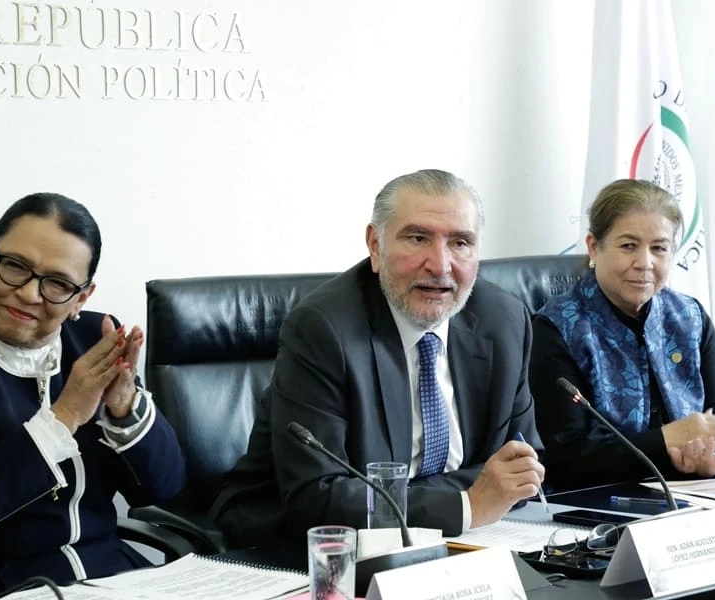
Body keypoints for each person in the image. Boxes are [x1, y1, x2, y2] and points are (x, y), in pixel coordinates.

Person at [211, 169, 544, 545]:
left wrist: (472, 499)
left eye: (460, 243)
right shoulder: (324, 329)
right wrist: (466, 504)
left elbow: (520, 467)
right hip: (299, 545)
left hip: (463, 539)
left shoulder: (504, 320)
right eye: (418, 238)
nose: (440, 265)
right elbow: (316, 496)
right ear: (375, 245)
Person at [0, 193, 186, 598]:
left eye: (57, 283)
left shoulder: (96, 341)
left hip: (112, 576)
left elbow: (163, 489)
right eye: (16, 267)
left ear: (82, 298)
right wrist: (64, 416)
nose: (29, 293)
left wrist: (125, 404)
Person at [530, 179, 715, 490]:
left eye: (659, 248)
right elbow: (567, 456)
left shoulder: (690, 316)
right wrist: (668, 440)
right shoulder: (556, 328)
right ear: (594, 246)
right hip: (606, 502)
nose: (644, 264)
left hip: (701, 490)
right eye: (628, 246)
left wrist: (713, 453)